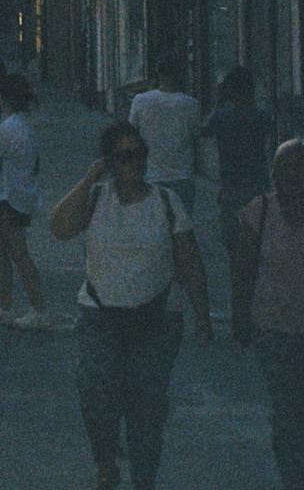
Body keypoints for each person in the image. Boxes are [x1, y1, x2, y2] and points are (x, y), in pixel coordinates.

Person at [51, 119, 212, 490]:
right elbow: (59, 227)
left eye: (139, 155)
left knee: (147, 407)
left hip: (155, 319)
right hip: (101, 316)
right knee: (96, 391)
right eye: (124, 157)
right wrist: (89, 179)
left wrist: (203, 317)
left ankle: (144, 479)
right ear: (109, 161)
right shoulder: (95, 199)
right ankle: (106, 461)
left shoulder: (166, 203)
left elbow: (189, 261)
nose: (134, 163)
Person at [233, 137, 304, 490]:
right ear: (274, 174)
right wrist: (241, 318)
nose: (294, 177)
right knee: (289, 410)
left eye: (300, 169)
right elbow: (243, 270)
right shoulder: (258, 211)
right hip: (275, 331)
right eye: (286, 169)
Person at [200, 65, 273, 310]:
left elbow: (203, 131)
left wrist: (220, 101)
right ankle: (259, 307)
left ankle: (240, 314)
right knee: (260, 256)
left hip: (232, 192)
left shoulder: (221, 117)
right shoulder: (262, 116)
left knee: (235, 257)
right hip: (259, 191)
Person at [0, 73, 49, 330]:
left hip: (10, 197)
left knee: (19, 253)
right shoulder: (24, 126)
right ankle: (6, 305)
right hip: (16, 193)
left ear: (3, 99)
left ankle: (37, 308)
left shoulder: (7, 128)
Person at [128, 52, 200, 213]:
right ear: (180, 74)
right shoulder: (191, 104)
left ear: (158, 73)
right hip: (182, 175)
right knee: (182, 226)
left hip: (151, 176)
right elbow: (195, 134)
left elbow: (131, 134)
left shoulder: (140, 101)